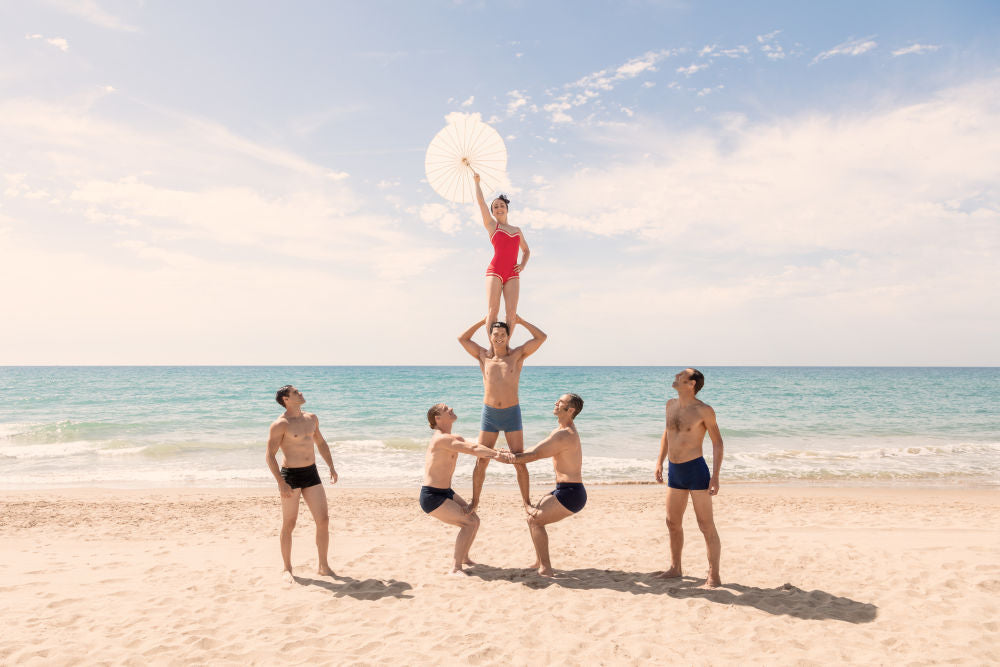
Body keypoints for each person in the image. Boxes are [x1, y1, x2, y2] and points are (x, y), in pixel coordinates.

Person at [458, 315, 547, 514]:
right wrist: (483, 321)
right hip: (489, 415)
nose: (499, 337)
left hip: (511, 414)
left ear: (508, 336)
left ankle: (526, 502)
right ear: (490, 337)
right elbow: (462, 339)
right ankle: (474, 502)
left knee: (519, 460)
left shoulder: (516, 355)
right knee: (481, 460)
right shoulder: (483, 356)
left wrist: (522, 321)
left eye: (503, 334)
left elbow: (541, 338)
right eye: (495, 334)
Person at [495, 394, 586, 577]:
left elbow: (534, 455)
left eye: (560, 402)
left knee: (535, 521)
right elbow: (534, 450)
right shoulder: (560, 430)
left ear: (570, 410)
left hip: (571, 493)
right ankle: (539, 561)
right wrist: (513, 454)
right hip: (565, 490)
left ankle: (546, 568)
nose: (556, 403)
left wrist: (507, 459)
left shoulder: (564, 435)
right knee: (533, 519)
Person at [422, 403, 515, 574]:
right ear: (438, 418)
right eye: (445, 408)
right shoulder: (441, 439)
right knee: (468, 523)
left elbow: (476, 446)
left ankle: (464, 558)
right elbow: (472, 450)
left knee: (475, 520)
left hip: (445, 492)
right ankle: (456, 568)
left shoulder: (452, 437)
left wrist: (495, 451)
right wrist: (497, 455)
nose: (450, 408)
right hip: (432, 496)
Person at [653, 368, 724, 588]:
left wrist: (716, 476)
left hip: (696, 470)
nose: (675, 376)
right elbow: (667, 433)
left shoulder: (704, 410)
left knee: (705, 525)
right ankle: (676, 568)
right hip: (675, 471)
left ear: (691, 384)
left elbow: (717, 442)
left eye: (681, 375)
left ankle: (714, 574)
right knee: (672, 522)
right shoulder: (670, 405)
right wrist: (659, 462)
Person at [265, 385, 338, 580]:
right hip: (291, 476)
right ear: (286, 399)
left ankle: (323, 566)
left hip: (311, 473)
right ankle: (287, 568)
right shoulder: (280, 424)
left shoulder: (311, 418)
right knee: (289, 523)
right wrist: (280, 482)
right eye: (296, 392)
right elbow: (270, 456)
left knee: (323, 520)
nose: (301, 393)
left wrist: (331, 466)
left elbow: (320, 443)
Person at [473, 170, 530, 337]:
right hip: (495, 271)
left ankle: (505, 349)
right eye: (495, 206)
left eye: (501, 205)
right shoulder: (492, 226)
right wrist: (477, 183)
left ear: (507, 209)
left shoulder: (517, 230)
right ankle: (493, 348)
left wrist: (522, 265)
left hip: (513, 273)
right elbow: (482, 203)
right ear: (492, 212)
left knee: (511, 313)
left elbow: (526, 250)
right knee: (493, 310)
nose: (499, 208)